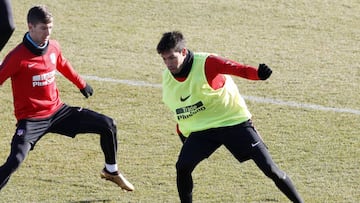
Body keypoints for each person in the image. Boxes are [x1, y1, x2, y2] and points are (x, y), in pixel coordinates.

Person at [156, 31, 303, 203]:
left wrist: (259, 74)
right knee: (182, 167)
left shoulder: (207, 63)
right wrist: (185, 139)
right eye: (164, 59)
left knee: (270, 169)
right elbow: (179, 113)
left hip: (234, 122)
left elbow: (237, 69)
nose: (168, 64)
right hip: (203, 129)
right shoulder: (168, 78)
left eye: (171, 58)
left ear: (184, 52)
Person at [0, 5, 134, 192]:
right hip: (31, 120)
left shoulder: (53, 46)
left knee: (108, 124)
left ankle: (111, 171)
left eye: (50, 27)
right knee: (14, 161)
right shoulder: (16, 57)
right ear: (30, 27)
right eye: (43, 28)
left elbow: (62, 64)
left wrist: (81, 84)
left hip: (58, 112)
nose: (48, 33)